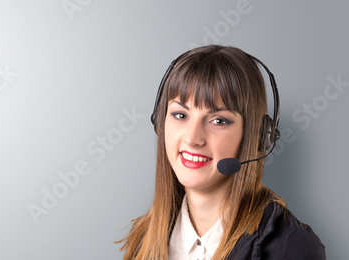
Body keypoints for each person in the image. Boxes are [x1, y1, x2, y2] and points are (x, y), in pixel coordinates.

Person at [118, 45, 325, 259]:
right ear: (160, 122)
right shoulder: (143, 239)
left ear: (257, 135)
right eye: (180, 115)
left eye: (218, 121)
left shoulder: (290, 247)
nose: (192, 138)